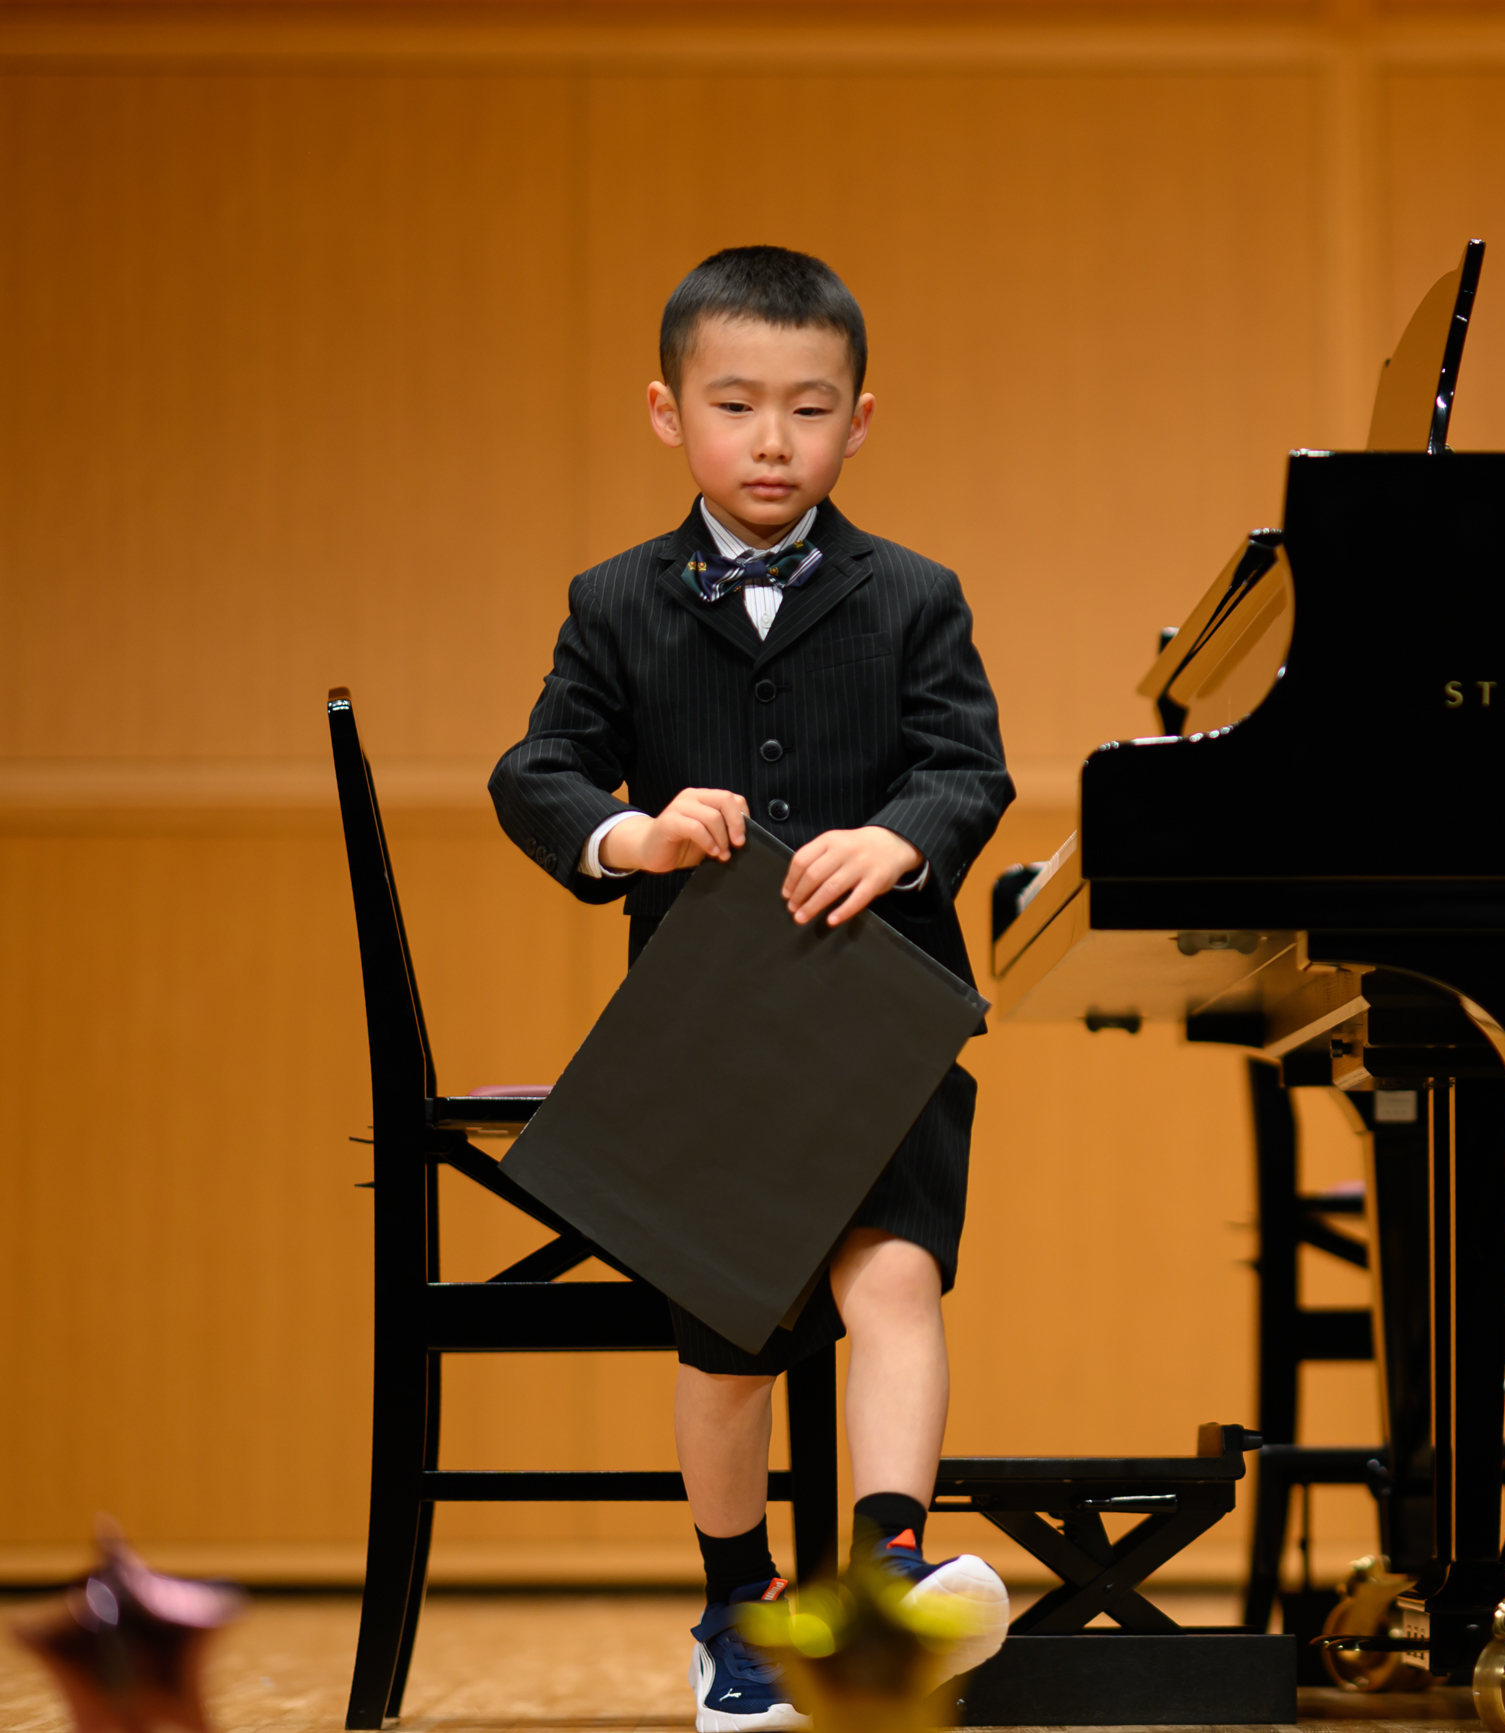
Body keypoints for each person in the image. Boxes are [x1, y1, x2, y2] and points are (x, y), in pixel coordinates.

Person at [490, 245, 1015, 1731]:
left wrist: (901, 838)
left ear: (862, 420)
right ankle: (736, 1606)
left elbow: (968, 769)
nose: (773, 440)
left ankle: (883, 1579)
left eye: (809, 407)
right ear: (669, 413)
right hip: (709, 1029)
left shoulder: (915, 594)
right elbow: (534, 771)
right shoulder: (614, 601)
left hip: (881, 1010)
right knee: (725, 1329)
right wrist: (632, 830)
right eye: (737, 405)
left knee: (893, 1269)